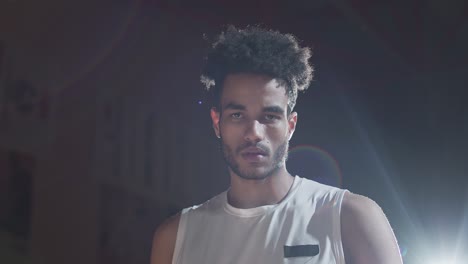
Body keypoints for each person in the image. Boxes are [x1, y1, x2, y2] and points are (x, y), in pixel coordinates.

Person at [150, 25, 402, 264]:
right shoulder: (175, 238)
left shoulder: (349, 217)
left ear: (290, 125)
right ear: (217, 123)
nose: (254, 133)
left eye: (269, 116)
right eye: (237, 115)